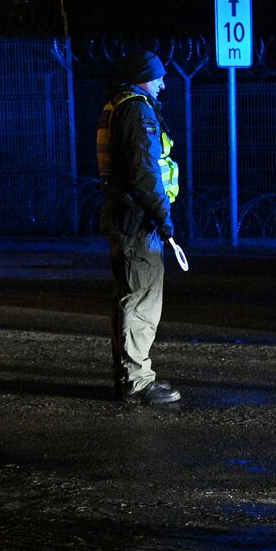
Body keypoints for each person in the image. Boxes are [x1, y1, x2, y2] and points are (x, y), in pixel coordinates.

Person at [96, 51, 182, 405]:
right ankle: (136, 381)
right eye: (159, 77)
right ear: (145, 76)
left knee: (129, 297)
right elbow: (146, 172)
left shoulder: (120, 104)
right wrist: (164, 218)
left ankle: (129, 376)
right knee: (142, 300)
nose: (163, 84)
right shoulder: (137, 110)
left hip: (124, 215)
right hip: (138, 220)